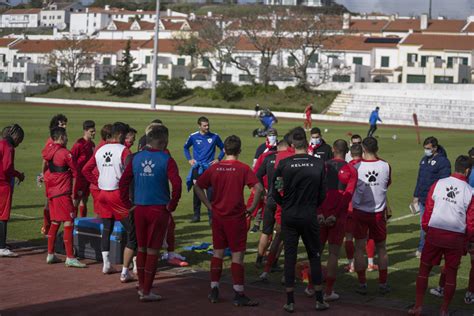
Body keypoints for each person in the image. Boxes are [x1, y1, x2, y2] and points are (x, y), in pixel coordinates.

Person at [194, 135, 264, 307]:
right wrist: (251, 208)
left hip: (218, 216)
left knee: (218, 253)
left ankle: (214, 289)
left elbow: (197, 186)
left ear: (224, 150)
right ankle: (239, 293)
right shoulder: (243, 168)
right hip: (236, 217)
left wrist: (209, 206)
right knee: (237, 255)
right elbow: (259, 188)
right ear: (239, 151)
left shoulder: (215, 168)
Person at [119, 125, 182, 302]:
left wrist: (127, 204)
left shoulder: (136, 158)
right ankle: (146, 291)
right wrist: (172, 205)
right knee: (153, 250)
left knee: (141, 248)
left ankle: (141, 286)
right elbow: (176, 184)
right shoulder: (166, 159)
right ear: (164, 141)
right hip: (158, 209)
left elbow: (123, 182)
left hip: (139, 208)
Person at [409, 155, 474, 316]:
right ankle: (444, 310)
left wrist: (427, 229)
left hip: (435, 232)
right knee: (451, 274)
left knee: (424, 270)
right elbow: (471, 221)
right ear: (467, 170)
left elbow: (428, 209)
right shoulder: (470, 191)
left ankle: (418, 306)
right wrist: (469, 240)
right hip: (455, 237)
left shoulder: (439, 183)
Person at [272, 127, 328, 312]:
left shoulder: (284, 164)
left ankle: (289, 301)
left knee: (289, 256)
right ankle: (319, 299)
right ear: (306, 142)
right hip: (309, 214)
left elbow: (275, 191)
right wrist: (312, 205)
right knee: (314, 255)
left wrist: (286, 203)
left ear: (291, 144)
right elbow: (322, 193)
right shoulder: (318, 164)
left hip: (289, 215)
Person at [83, 122, 137, 282]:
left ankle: (106, 263)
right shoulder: (123, 150)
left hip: (103, 194)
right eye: (126, 135)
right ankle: (130, 268)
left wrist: (98, 181)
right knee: (133, 231)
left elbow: (86, 169)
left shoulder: (100, 149)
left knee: (107, 227)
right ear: (120, 135)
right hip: (117, 194)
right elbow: (130, 173)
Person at [318, 139, 357, 301]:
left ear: (333, 149)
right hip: (338, 216)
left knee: (317, 251)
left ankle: (311, 287)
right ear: (347, 150)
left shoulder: (322, 166)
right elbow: (348, 196)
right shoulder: (351, 170)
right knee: (333, 253)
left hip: (321, 214)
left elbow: (316, 190)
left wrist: (319, 212)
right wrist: (335, 214)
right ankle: (328, 292)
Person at [352, 137, 391, 295]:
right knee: (382, 248)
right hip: (378, 212)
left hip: (360, 211)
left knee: (359, 247)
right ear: (377, 148)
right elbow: (386, 185)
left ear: (363, 148)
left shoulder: (355, 166)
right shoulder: (386, 165)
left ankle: (362, 284)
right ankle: (382, 284)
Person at [42, 127, 86, 268]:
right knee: (68, 222)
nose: (67, 138)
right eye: (66, 136)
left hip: (52, 193)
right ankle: (70, 257)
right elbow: (75, 171)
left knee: (55, 222)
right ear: (61, 137)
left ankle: (50, 254)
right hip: (62, 193)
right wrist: (78, 190)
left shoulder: (48, 151)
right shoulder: (65, 153)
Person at [413, 137, 451, 258]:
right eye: (425, 148)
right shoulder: (424, 160)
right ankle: (422, 248)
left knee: (435, 226)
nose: (426, 151)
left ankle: (432, 250)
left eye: (428, 148)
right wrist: (415, 195)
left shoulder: (443, 162)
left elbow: (444, 181)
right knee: (423, 225)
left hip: (435, 200)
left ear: (435, 148)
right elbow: (419, 179)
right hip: (423, 199)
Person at [344, 143, 378, 273]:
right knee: (369, 235)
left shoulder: (348, 167)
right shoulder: (367, 166)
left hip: (349, 207)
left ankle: (351, 265)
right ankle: (370, 263)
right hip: (366, 207)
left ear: (350, 154)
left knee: (348, 237)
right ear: (362, 153)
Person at [256, 140, 288, 278]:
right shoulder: (288, 160)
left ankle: (259, 258)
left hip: (269, 198)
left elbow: (256, 175)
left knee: (266, 230)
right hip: (282, 199)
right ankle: (273, 262)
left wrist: (263, 192)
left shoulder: (269, 158)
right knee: (281, 233)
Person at [184, 116, 224, 223]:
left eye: (208, 125)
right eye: (204, 125)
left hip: (210, 169)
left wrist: (218, 159)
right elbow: (185, 147)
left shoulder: (215, 137)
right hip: (197, 168)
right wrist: (189, 159)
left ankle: (211, 217)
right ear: (199, 126)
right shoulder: (193, 137)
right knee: (197, 191)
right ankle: (196, 215)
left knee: (210, 192)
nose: (207, 127)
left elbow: (223, 148)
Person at [40, 114, 68, 236]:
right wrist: (42, 174)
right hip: (51, 176)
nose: (65, 126)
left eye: (65, 123)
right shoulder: (52, 141)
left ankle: (49, 227)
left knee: (52, 202)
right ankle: (47, 228)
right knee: (49, 202)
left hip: (55, 175)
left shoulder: (59, 139)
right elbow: (45, 160)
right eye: (62, 124)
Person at [0, 124, 25, 257]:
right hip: (3, 184)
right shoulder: (9, 147)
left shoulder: (1, 143)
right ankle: (2, 247)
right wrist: (18, 175)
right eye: (19, 140)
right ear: (16, 136)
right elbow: (7, 168)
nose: (19, 143)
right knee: (3, 216)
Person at [248, 128, 278, 233]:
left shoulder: (280, 147)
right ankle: (256, 224)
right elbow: (255, 165)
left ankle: (274, 225)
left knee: (272, 204)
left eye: (274, 134)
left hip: (274, 180)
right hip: (262, 180)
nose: (272, 136)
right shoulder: (262, 148)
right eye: (270, 135)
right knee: (260, 203)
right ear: (267, 136)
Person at [71, 120, 96, 218]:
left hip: (88, 177)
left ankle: (82, 223)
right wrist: (75, 174)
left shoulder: (92, 144)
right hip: (79, 178)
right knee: (76, 201)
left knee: (84, 200)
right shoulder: (79, 144)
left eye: (94, 131)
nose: (94, 133)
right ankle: (71, 225)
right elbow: (71, 159)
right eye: (91, 131)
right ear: (85, 131)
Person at [86, 124, 112, 218]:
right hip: (98, 187)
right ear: (108, 136)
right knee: (101, 213)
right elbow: (87, 169)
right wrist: (97, 183)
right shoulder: (103, 149)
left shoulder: (104, 146)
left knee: (104, 213)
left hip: (100, 186)